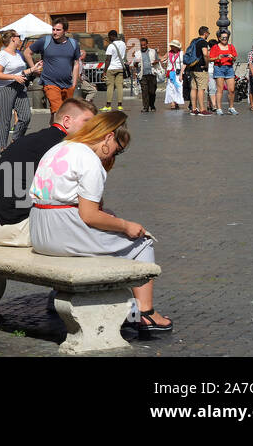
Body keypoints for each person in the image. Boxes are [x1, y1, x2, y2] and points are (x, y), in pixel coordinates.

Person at [29, 111, 172, 335]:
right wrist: (126, 226)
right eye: (119, 147)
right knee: (141, 242)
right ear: (108, 137)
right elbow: (90, 216)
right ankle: (144, 313)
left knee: (112, 222)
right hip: (64, 233)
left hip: (39, 231)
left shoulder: (58, 148)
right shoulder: (88, 159)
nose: (117, 153)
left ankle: (67, 297)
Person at [0, 97, 97, 246]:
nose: (93, 129)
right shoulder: (63, 147)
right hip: (13, 228)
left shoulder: (33, 139)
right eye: (87, 122)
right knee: (92, 225)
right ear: (67, 121)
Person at [23, 20, 82, 115]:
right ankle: (58, 129)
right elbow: (27, 52)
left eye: (58, 30)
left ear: (65, 31)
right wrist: (34, 68)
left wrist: (74, 84)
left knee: (65, 112)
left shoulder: (73, 43)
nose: (54, 32)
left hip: (68, 84)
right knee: (58, 111)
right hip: (50, 82)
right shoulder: (45, 41)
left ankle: (53, 128)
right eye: (53, 29)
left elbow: (76, 64)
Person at [0, 30, 37, 151]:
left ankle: (15, 141)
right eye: (19, 36)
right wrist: (14, 77)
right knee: (4, 121)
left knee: (26, 116)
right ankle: (2, 148)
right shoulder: (2, 55)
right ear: (13, 39)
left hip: (19, 87)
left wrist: (33, 69)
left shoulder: (17, 54)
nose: (20, 39)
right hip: (4, 89)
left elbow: (20, 72)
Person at [207, 30, 239, 115]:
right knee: (220, 89)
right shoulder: (215, 47)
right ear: (219, 38)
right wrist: (218, 57)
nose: (225, 39)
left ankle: (231, 107)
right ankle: (219, 108)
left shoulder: (231, 46)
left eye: (226, 37)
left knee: (231, 89)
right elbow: (210, 59)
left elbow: (235, 58)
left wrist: (232, 57)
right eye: (223, 37)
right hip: (219, 68)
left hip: (229, 68)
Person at [182, 26, 211, 116]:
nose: (208, 35)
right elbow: (205, 54)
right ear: (205, 33)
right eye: (208, 33)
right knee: (201, 89)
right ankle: (202, 109)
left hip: (192, 68)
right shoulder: (203, 42)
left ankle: (194, 109)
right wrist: (206, 64)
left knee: (194, 88)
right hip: (200, 68)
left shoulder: (194, 41)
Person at [102, 30, 127, 112]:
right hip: (120, 68)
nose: (109, 39)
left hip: (111, 68)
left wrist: (104, 71)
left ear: (112, 36)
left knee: (110, 86)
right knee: (120, 87)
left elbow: (108, 60)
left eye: (109, 37)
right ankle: (120, 105)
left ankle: (108, 105)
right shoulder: (123, 44)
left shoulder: (111, 46)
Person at [133, 38, 160, 112]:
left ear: (147, 44)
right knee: (144, 91)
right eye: (141, 45)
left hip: (152, 73)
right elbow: (134, 64)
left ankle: (152, 105)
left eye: (144, 45)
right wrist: (135, 63)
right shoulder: (137, 53)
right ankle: (145, 107)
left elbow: (158, 60)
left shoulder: (153, 51)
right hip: (143, 75)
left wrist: (155, 62)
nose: (143, 46)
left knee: (152, 91)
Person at [164, 40, 184, 109]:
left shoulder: (181, 53)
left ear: (177, 47)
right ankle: (172, 103)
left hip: (179, 73)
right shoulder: (169, 53)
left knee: (178, 88)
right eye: (171, 46)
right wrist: (157, 54)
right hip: (171, 73)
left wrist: (182, 73)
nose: (171, 48)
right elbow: (163, 59)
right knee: (170, 88)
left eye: (173, 46)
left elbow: (184, 63)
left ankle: (176, 102)